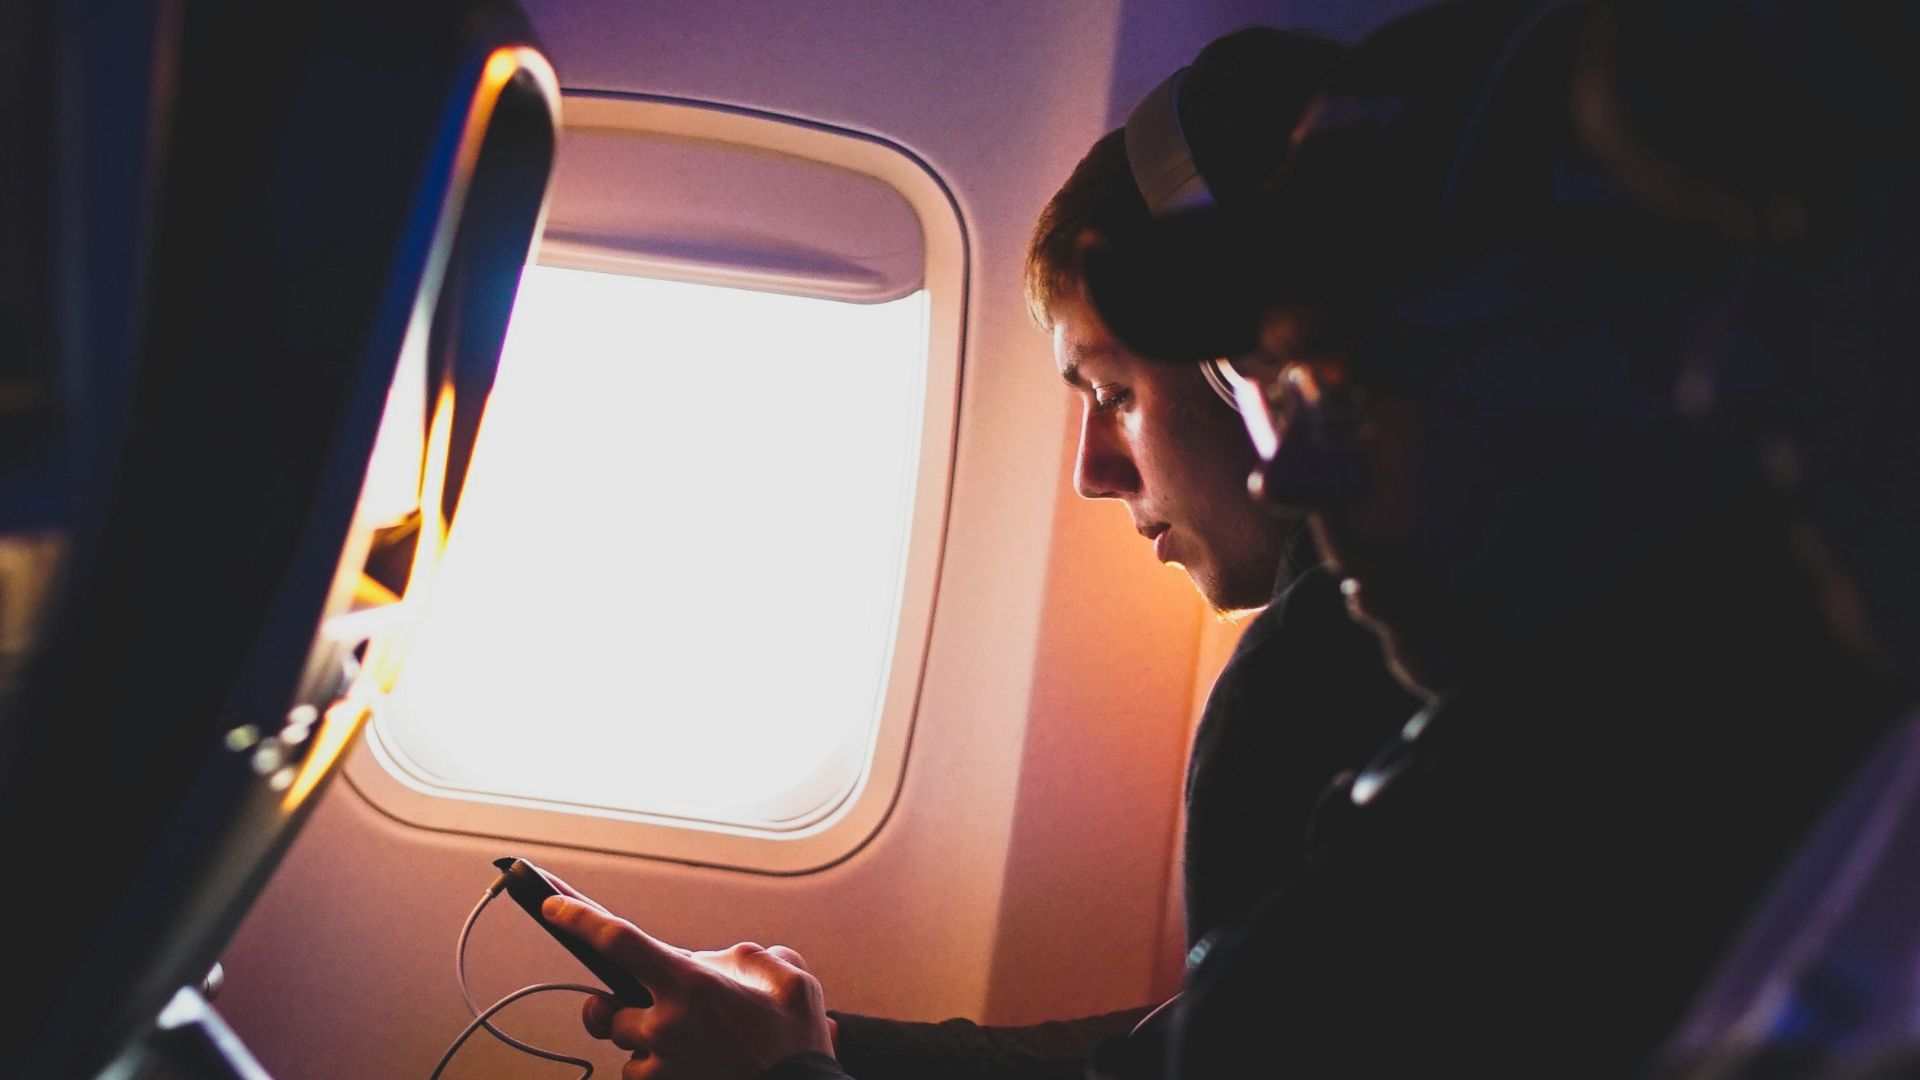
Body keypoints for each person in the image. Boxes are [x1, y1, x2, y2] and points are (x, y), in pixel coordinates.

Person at [539, 26, 1414, 1080]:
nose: (1095, 472)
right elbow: (1173, 1054)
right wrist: (815, 1044)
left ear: (1250, 363)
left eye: (1115, 394)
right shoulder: (1416, 654)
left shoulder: (1309, 681)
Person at [1076, 0, 1913, 1076]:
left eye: (1360, 379)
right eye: (1295, 381)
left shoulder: (1578, 805)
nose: (1285, 470)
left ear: (1623, 363)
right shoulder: (1531, 746)